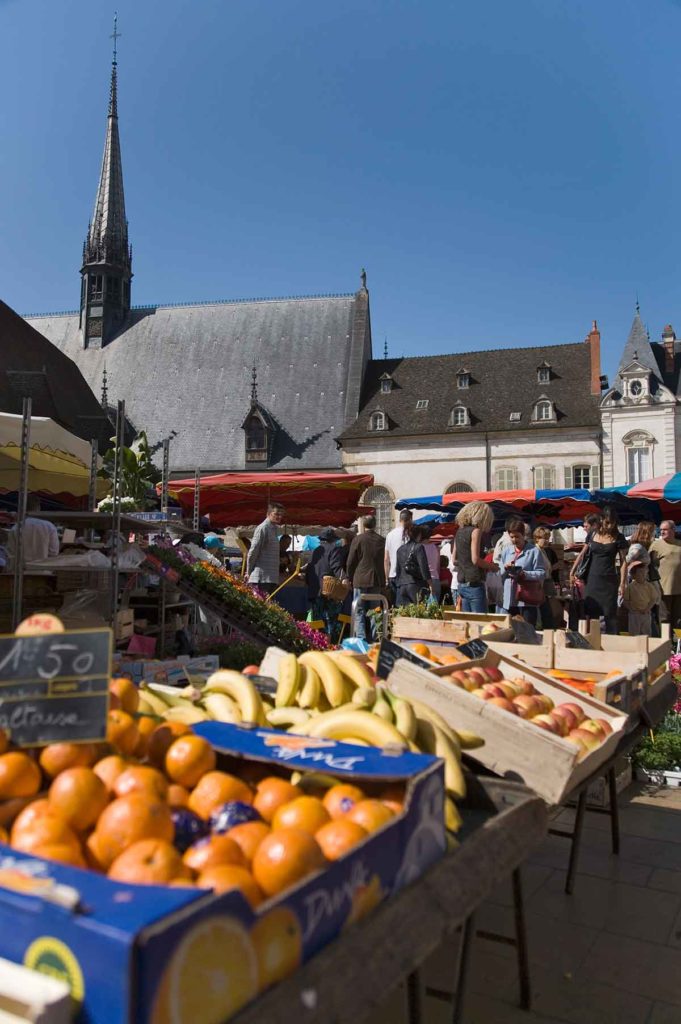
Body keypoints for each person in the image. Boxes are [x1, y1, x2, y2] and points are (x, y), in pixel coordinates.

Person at [571, 506, 627, 634]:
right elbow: (582, 553)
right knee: (591, 615)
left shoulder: (619, 537)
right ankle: (592, 641)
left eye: (612, 523)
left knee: (610, 615)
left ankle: (612, 642)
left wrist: (622, 583)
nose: (609, 526)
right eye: (607, 522)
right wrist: (572, 571)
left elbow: (624, 561)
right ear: (601, 520)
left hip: (609, 581)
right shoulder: (592, 534)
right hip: (592, 579)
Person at [498, 517, 546, 625]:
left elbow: (542, 573)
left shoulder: (534, 551)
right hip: (510, 598)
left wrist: (525, 574)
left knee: (528, 629)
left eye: (517, 536)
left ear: (523, 535)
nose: (514, 540)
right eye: (512, 537)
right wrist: (505, 568)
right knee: (511, 630)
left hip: (527, 598)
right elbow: (499, 573)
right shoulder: (506, 551)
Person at [346, 516, 386, 641]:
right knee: (375, 610)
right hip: (376, 579)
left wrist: (349, 577)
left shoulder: (358, 539)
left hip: (360, 579)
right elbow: (385, 561)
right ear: (375, 524)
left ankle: (361, 639)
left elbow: (350, 562)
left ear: (363, 525)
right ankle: (375, 638)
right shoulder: (381, 540)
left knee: (359, 610)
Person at [305, 527, 347, 640]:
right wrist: (344, 578)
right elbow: (336, 566)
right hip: (329, 590)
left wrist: (309, 583)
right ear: (332, 539)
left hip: (315, 590)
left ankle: (318, 642)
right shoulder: (334, 549)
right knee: (330, 619)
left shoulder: (315, 551)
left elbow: (309, 569)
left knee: (317, 621)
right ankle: (330, 642)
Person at [453, 501, 495, 612]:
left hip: (461, 583)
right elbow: (475, 559)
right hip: (474, 583)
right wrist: (492, 566)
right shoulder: (476, 531)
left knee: (468, 620)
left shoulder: (459, 532)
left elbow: (454, 560)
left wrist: (465, 563)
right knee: (479, 620)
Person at [6, 496, 59, 567]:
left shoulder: (16, 528)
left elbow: (12, 554)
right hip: (44, 570)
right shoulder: (49, 526)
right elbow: (54, 552)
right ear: (38, 508)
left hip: (21, 571)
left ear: (22, 509)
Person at [650, 520, 681, 632]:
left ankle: (676, 641)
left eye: (665, 529)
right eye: (661, 530)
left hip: (679, 589)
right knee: (664, 617)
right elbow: (650, 566)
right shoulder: (656, 545)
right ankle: (665, 640)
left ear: (673, 530)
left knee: (678, 619)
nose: (662, 532)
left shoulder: (679, 543)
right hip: (664, 588)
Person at [247, 502, 285, 593]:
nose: (279, 517)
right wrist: (248, 571)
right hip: (261, 578)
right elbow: (253, 551)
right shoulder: (263, 528)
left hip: (271, 579)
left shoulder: (274, 529)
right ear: (268, 514)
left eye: (281, 514)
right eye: (276, 514)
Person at [395, 524, 433, 606]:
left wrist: (398, 585)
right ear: (419, 535)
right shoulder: (419, 547)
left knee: (404, 611)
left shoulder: (400, 549)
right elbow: (424, 567)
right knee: (419, 610)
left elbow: (398, 569)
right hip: (415, 584)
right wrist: (430, 583)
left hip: (402, 585)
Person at [622, 562, 658, 637]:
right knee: (634, 633)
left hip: (646, 613)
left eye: (644, 572)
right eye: (640, 572)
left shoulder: (649, 586)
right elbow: (625, 600)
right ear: (634, 575)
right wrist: (631, 609)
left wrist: (647, 609)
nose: (643, 574)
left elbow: (653, 599)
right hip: (634, 614)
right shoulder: (631, 587)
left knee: (646, 633)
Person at [532, 526, 559, 629]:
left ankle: (547, 629)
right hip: (539, 586)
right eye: (545, 538)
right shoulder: (536, 551)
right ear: (537, 538)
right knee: (544, 613)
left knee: (546, 613)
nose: (548, 541)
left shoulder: (543, 551)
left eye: (548, 538)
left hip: (544, 586)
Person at [384, 510, 412, 603]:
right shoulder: (408, 535)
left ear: (400, 519)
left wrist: (386, 578)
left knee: (393, 605)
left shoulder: (390, 535)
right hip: (405, 576)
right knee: (403, 605)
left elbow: (386, 559)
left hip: (392, 574)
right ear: (410, 520)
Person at [424, 534, 442, 602]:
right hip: (436, 578)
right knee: (435, 606)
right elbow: (438, 567)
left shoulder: (420, 547)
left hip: (425, 580)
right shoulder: (435, 547)